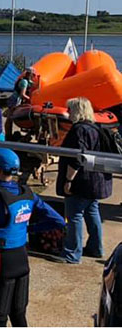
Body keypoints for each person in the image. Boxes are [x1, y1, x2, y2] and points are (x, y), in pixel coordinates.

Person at [0, 148, 65, 327]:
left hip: (1, 259)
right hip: (21, 258)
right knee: (19, 314)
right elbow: (58, 220)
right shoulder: (28, 194)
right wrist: (29, 229)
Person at [54, 97, 112, 263]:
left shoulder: (78, 130)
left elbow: (76, 158)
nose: (68, 112)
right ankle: (96, 247)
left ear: (76, 111)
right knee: (92, 212)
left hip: (81, 181)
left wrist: (68, 180)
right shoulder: (96, 127)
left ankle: (72, 253)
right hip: (96, 180)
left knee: (75, 216)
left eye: (70, 109)